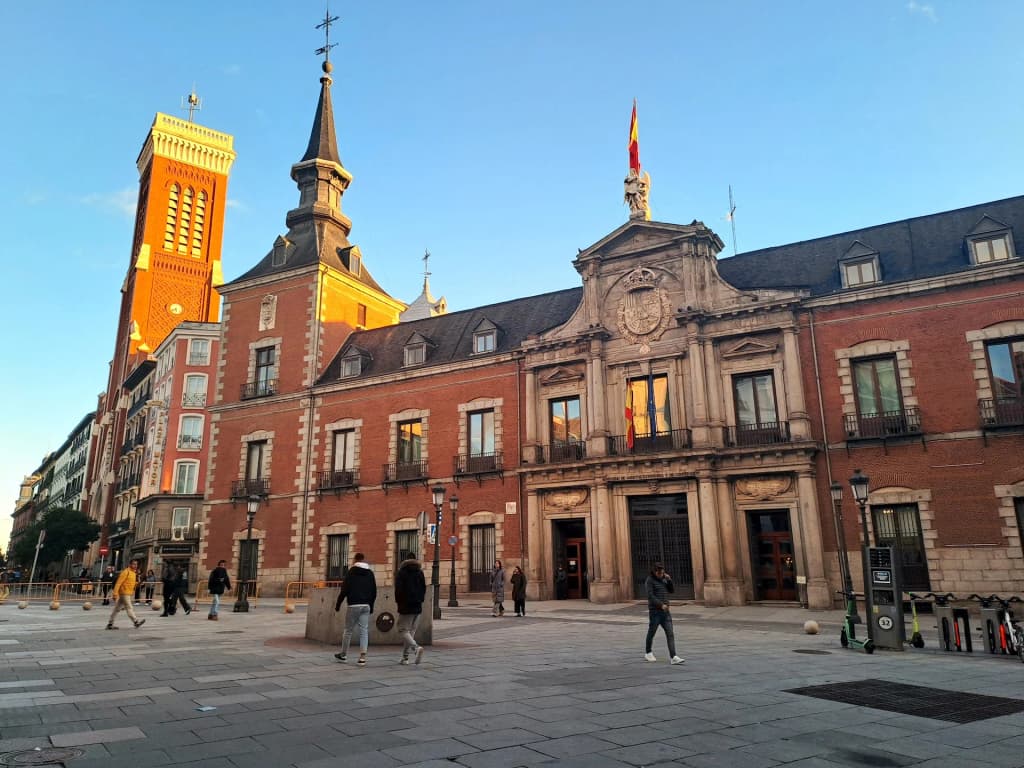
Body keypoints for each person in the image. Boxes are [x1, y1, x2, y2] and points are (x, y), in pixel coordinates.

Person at [334, 553, 376, 665]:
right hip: (366, 605)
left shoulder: (351, 573)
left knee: (348, 630)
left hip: (353, 605)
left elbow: (344, 590)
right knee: (364, 631)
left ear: (355, 560)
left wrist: (338, 605)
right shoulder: (370, 573)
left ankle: (343, 655)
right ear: (363, 560)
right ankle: (362, 657)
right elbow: (374, 591)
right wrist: (371, 606)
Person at [644, 563, 684, 665]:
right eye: (659, 573)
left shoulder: (664, 579)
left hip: (665, 612)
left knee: (670, 633)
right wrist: (661, 605)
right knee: (652, 632)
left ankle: (673, 656)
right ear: (654, 572)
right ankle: (648, 652)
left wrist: (669, 580)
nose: (661, 574)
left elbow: (671, 591)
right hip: (655, 612)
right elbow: (650, 596)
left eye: (662, 573)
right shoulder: (649, 581)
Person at [394, 558, 426, 665]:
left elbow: (398, 590)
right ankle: (405, 657)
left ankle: (416, 648)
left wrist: (399, 602)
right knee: (410, 632)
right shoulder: (420, 572)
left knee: (402, 629)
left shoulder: (402, 573)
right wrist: (420, 599)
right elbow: (423, 588)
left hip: (406, 605)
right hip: (417, 605)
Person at [106, 559, 146, 630]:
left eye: (136, 564)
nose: (135, 566)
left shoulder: (133, 573)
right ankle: (136, 622)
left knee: (117, 609)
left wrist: (139, 583)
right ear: (130, 564)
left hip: (127, 593)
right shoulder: (125, 572)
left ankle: (110, 624)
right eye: (133, 564)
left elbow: (132, 584)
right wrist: (115, 594)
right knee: (129, 607)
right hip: (124, 593)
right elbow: (118, 583)